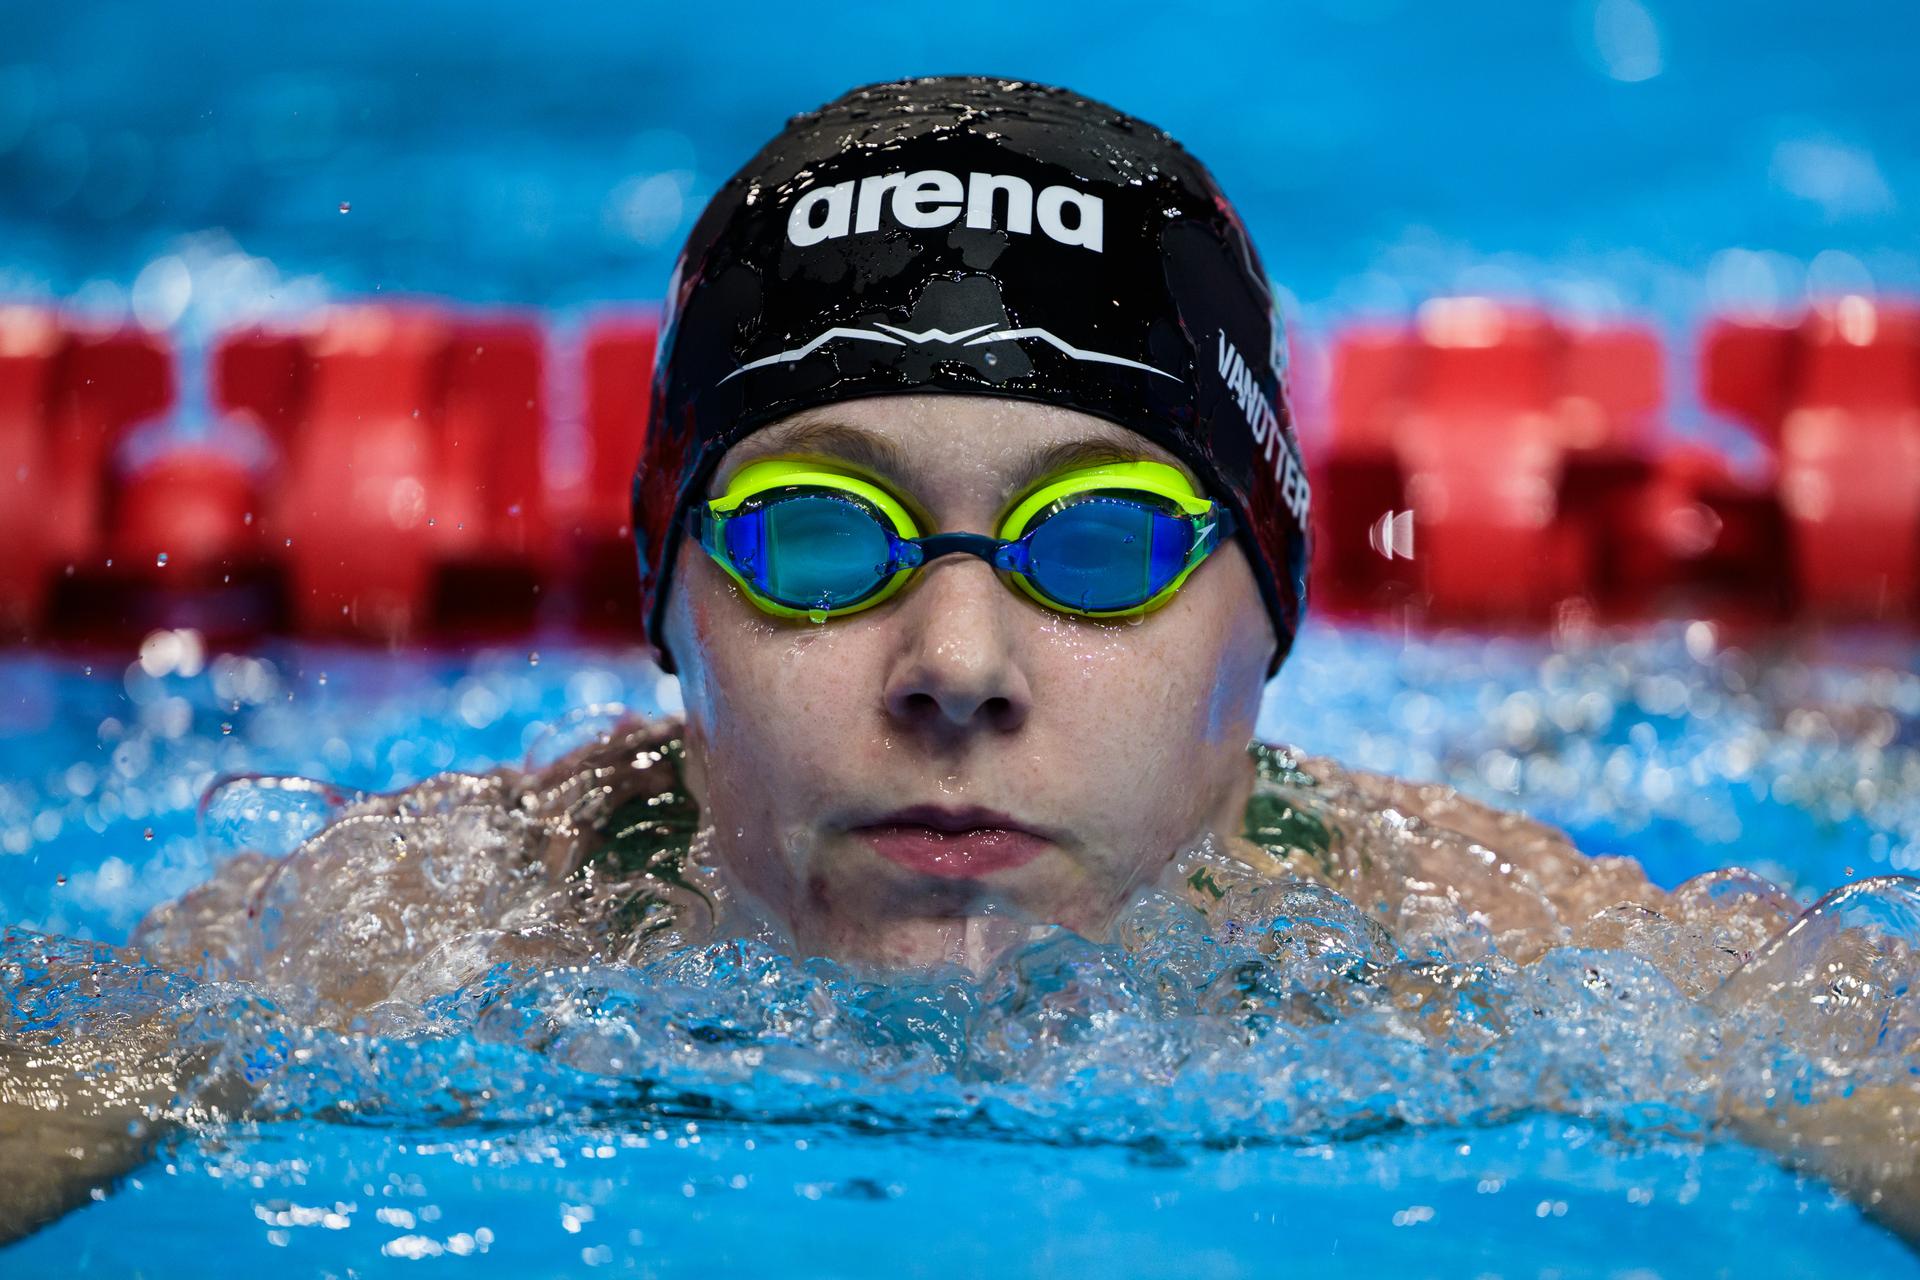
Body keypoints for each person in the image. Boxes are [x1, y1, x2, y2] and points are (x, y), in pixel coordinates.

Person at [4, 74, 1918, 1252]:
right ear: (667, 614)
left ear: (1270, 620)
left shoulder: (1476, 935)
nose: (956, 667)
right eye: (819, 539)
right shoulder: (431, 924)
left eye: (1099, 546)